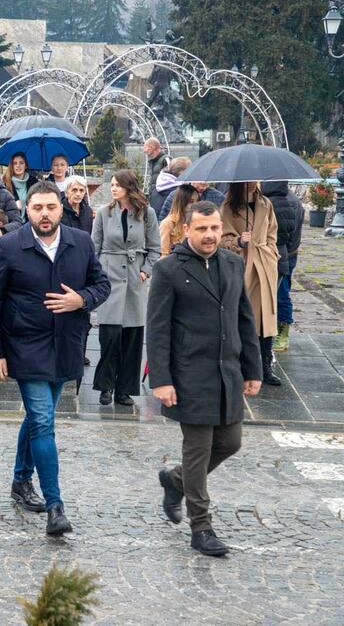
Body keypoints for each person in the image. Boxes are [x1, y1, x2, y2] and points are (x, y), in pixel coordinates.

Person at [0, 181, 111, 536]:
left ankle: (20, 479)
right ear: (27, 210)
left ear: (60, 209)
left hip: (66, 345)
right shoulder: (8, 247)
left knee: (40, 418)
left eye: (50, 207)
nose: (44, 214)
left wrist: (81, 300)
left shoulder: (80, 242)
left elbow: (102, 285)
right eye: (37, 207)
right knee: (43, 421)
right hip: (25, 346)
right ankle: (56, 506)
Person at [148, 200, 262, 557]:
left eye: (214, 228)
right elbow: (158, 328)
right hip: (188, 375)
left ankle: (174, 480)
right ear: (187, 230)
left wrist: (252, 369)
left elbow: (244, 318)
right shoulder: (168, 269)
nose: (210, 235)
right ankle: (202, 527)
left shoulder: (232, 262)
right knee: (197, 452)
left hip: (227, 371)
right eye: (202, 229)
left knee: (230, 442)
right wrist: (161, 379)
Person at [91, 170, 161, 407]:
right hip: (109, 278)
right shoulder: (103, 213)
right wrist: (97, 274)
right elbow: (94, 247)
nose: (113, 189)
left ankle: (124, 390)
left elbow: (155, 248)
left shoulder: (147, 214)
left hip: (134, 280)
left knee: (132, 339)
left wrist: (145, 271)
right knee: (109, 338)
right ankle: (105, 387)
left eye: (117, 185)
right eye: (111, 185)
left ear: (129, 187)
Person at [219, 182, 281, 386]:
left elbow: (272, 233)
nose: (255, 182)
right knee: (246, 318)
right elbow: (222, 238)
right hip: (243, 266)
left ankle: (265, 367)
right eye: (250, 179)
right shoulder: (229, 206)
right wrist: (239, 242)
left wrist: (272, 253)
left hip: (265, 265)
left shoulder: (265, 203)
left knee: (267, 318)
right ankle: (245, 367)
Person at [262, 181, 305, 352]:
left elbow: (280, 236)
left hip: (283, 254)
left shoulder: (280, 202)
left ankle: (282, 333)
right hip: (287, 252)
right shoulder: (286, 198)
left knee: (281, 293)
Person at [159, 185, 200, 256]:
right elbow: (163, 253)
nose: (195, 205)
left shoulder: (195, 222)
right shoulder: (168, 223)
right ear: (182, 201)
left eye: (197, 201)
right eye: (191, 201)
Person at [161, 180, 225, 219]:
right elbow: (164, 218)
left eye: (206, 180)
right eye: (200, 179)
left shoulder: (218, 197)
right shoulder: (175, 195)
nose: (203, 182)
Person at [143, 137, 169, 210]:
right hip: (154, 199)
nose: (144, 151)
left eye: (145, 148)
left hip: (162, 199)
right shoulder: (153, 162)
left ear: (152, 147)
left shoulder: (166, 160)